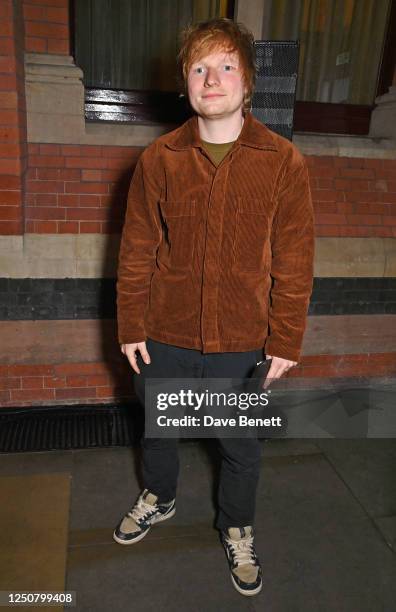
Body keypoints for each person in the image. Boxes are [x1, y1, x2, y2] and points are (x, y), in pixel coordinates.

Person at [113, 17, 314, 597]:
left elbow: (295, 259)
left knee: (239, 446)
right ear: (186, 82)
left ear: (247, 82)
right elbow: (136, 250)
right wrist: (130, 324)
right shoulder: (158, 159)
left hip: (242, 339)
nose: (212, 78)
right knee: (159, 431)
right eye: (199, 68)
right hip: (165, 331)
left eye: (227, 66)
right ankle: (160, 496)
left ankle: (237, 526)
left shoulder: (283, 163)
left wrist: (285, 339)